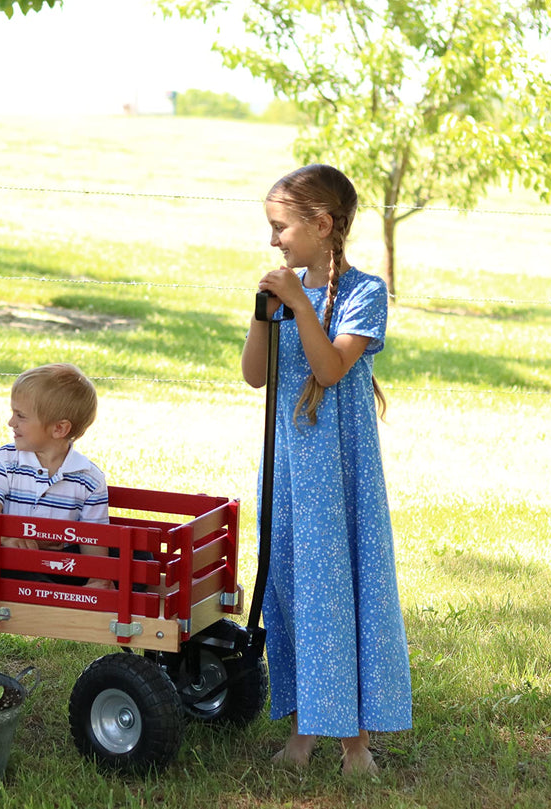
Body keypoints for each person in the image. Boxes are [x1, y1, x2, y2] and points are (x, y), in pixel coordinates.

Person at [240, 164, 412, 776]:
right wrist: (265, 314)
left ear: (322, 224)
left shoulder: (365, 293)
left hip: (341, 477)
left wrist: (296, 304)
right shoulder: (282, 294)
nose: (273, 240)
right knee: (291, 587)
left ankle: (355, 744)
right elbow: (256, 376)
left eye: (280, 227)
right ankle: (302, 732)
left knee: (345, 593)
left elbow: (329, 369)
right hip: (289, 470)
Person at [0, 363, 113, 589]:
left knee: (133, 554)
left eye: (21, 416)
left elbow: (93, 538)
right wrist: (5, 538)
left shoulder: (88, 478)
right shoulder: (5, 460)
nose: (11, 422)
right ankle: (58, 595)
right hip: (8, 561)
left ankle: (74, 590)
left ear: (59, 429)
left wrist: (98, 577)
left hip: (60, 565)